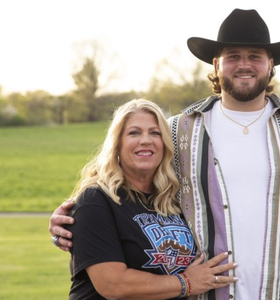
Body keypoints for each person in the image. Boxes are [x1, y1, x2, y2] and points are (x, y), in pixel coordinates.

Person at [50, 9, 280, 300]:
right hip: (204, 294)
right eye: (233, 56)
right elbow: (120, 176)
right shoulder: (178, 131)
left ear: (270, 64)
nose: (244, 65)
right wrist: (70, 215)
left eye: (255, 56)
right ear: (216, 64)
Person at [63, 98, 236, 300]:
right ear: (117, 144)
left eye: (155, 133)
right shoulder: (96, 199)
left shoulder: (174, 199)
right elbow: (112, 284)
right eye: (134, 133)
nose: (146, 140)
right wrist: (186, 283)